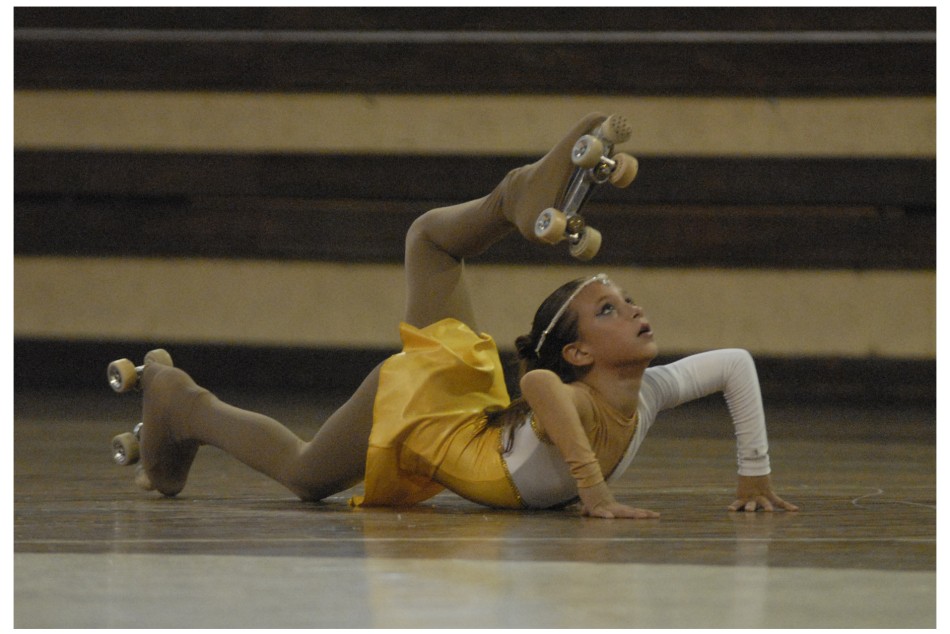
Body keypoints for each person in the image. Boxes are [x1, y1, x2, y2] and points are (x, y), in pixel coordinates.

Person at [129, 112, 798, 519]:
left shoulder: (646, 393)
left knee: (432, 244)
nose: (635, 310)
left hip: (461, 411)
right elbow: (537, 386)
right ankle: (183, 406)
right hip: (433, 415)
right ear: (579, 355)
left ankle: (508, 200)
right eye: (610, 309)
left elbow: (736, 365)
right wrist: (593, 494)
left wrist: (755, 475)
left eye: (625, 303)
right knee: (306, 477)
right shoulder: (568, 395)